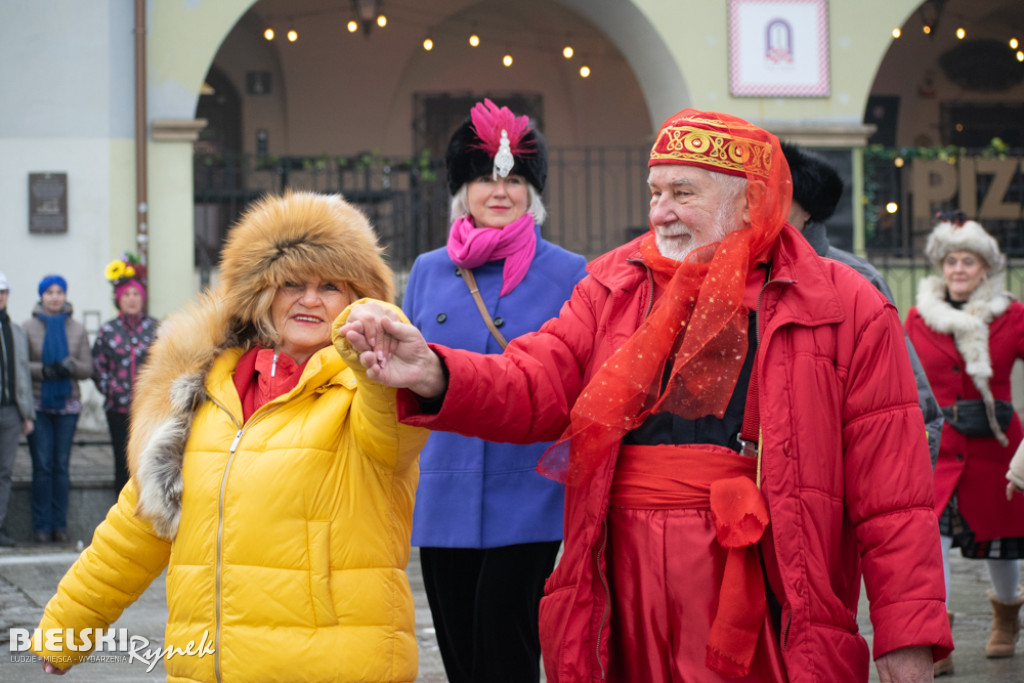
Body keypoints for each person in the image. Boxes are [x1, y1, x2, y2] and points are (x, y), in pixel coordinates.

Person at [340, 109, 953, 682]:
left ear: (750, 200)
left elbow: (894, 497)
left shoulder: (847, 306)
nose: (661, 212)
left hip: (762, 582)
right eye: (656, 192)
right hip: (620, 585)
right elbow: (538, 379)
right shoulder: (611, 285)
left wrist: (907, 635)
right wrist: (435, 372)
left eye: (684, 193)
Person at [31, 191, 428, 681]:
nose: (309, 299)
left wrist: (383, 355)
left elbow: (395, 428)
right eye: (291, 283)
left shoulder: (367, 389)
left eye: (330, 285)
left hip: (331, 666)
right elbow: (138, 526)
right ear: (260, 292)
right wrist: (67, 628)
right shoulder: (204, 392)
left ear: (358, 300)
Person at [403, 99, 587, 683]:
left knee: (506, 651)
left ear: (534, 191)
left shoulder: (571, 272)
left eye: (513, 179)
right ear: (462, 190)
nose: (499, 191)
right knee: (461, 659)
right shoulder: (428, 271)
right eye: (484, 177)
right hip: (443, 496)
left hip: (533, 495)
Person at [905, 213, 1024, 675]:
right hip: (938, 448)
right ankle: (942, 638)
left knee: (1002, 543)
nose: (958, 269)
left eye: (968, 262)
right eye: (951, 261)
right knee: (935, 539)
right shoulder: (917, 319)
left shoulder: (1012, 315)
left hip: (996, 448)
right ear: (941, 266)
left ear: (985, 268)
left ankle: (1006, 620)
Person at [781, 141, 944, 465]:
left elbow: (910, 404)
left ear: (807, 210)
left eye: (781, 199)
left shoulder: (856, 278)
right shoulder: (742, 274)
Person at [23, 275, 92, 544]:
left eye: (59, 292)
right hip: (38, 404)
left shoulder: (76, 328)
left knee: (60, 466)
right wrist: (45, 370)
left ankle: (59, 525)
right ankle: (41, 526)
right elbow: (21, 364)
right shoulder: (27, 327)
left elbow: (88, 368)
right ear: (41, 296)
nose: (54, 296)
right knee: (42, 465)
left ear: (65, 295)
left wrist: (70, 365)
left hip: (68, 405)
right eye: (49, 292)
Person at [92, 253, 159, 492]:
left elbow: (164, 363)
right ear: (119, 299)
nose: (132, 300)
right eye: (127, 295)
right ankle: (120, 514)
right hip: (117, 409)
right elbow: (97, 365)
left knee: (145, 461)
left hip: (147, 409)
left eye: (136, 295)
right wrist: (111, 389)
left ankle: (144, 513)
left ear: (142, 299)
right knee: (122, 464)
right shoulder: (108, 330)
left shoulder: (155, 328)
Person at [0, 272, 35, 546]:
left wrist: (27, 414)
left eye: (3, 292)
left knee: (5, 471)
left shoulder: (16, 330)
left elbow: (22, 372)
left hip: (11, 411)